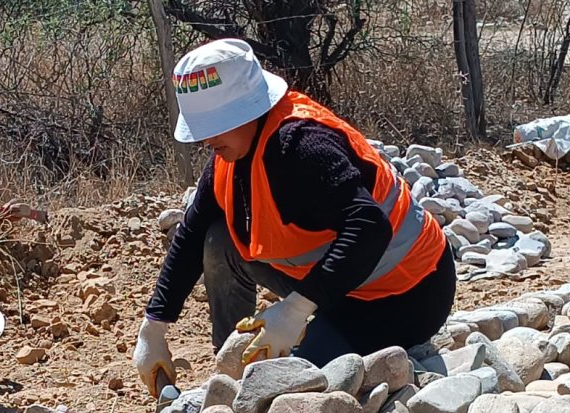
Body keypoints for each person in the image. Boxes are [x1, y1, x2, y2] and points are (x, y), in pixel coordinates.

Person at [133, 38, 456, 394]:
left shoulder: (300, 147)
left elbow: (369, 226)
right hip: (340, 282)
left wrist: (294, 311)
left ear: (248, 111)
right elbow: (192, 234)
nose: (203, 141)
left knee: (292, 387)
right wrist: (154, 325)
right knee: (218, 240)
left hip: (406, 293)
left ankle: (284, 352)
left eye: (212, 127)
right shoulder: (230, 154)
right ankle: (234, 360)